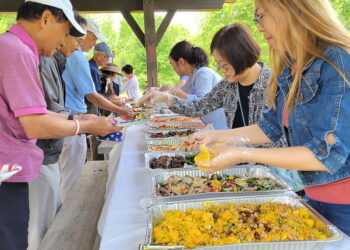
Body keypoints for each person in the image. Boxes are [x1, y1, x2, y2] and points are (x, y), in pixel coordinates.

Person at [185, 0, 350, 236]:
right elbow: (270, 127)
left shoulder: (338, 59)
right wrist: (214, 135)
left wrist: (241, 153)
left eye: (261, 16)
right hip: (314, 197)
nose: (259, 27)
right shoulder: (291, 64)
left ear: (292, 8)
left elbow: (327, 153)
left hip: (344, 207)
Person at [0, 1, 121, 250]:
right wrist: (84, 126)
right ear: (46, 18)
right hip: (9, 171)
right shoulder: (17, 51)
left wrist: (77, 120)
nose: (66, 41)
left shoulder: (13, 47)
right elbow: (34, 124)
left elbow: (36, 111)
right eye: (66, 32)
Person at [139, 24, 303, 192]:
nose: (221, 70)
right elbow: (198, 107)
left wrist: (218, 139)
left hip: (279, 174)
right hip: (244, 173)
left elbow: (274, 133)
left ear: (240, 56)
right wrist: (167, 99)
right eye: (219, 65)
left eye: (224, 65)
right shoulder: (227, 86)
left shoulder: (276, 84)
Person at [27, 13, 88, 250]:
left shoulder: (53, 60)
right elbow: (45, 110)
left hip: (47, 152)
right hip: (38, 155)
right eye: (73, 38)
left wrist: (82, 121)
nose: (69, 43)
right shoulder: (41, 59)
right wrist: (83, 122)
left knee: (49, 218)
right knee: (40, 228)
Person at [59, 18, 133, 201]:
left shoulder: (71, 57)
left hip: (69, 116)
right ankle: (69, 216)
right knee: (71, 175)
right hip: (73, 117)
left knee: (66, 171)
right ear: (85, 35)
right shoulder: (77, 58)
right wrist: (121, 110)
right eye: (92, 39)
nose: (92, 44)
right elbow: (92, 94)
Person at [141, 41, 227, 130]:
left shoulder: (203, 73)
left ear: (181, 62)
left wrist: (172, 92)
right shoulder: (192, 77)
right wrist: (157, 90)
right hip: (211, 126)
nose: (173, 69)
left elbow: (200, 104)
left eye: (172, 64)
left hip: (222, 129)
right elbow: (179, 93)